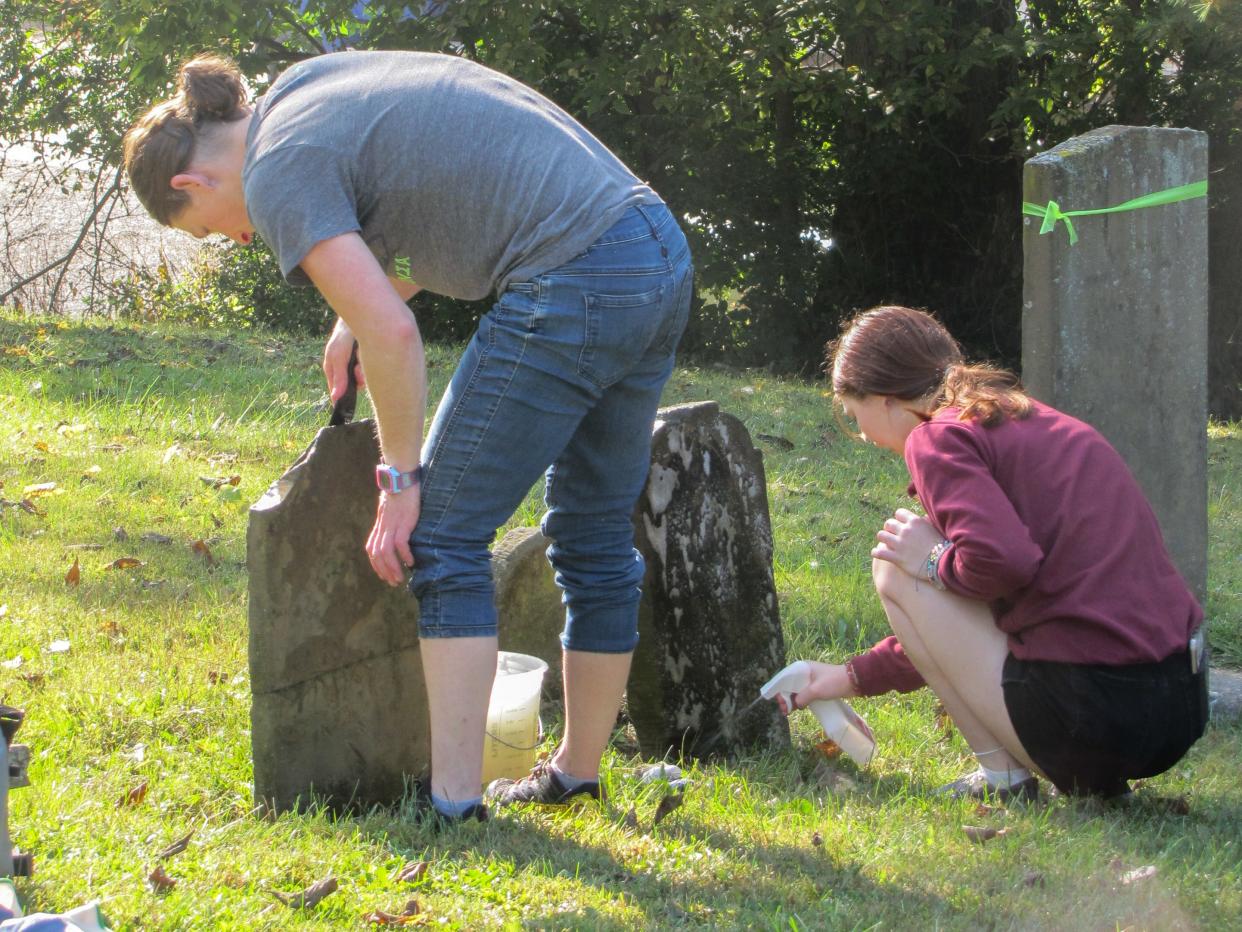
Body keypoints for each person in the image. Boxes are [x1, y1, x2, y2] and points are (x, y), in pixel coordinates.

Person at [123, 50, 693, 823]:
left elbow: (394, 336)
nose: (238, 241)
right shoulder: (301, 91)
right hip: (653, 250)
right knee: (592, 534)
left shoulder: (273, 172)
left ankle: (453, 806)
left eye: (211, 232)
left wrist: (399, 479)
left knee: (445, 535)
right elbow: (439, 184)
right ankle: (576, 775)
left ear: (190, 185)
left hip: (577, 273)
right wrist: (352, 315)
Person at [781, 305, 1207, 802]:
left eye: (856, 418)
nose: (865, 438)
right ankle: (1056, 774)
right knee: (921, 562)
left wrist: (934, 561)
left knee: (894, 565)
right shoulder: (1024, 419)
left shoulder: (936, 437)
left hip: (1098, 721)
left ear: (885, 400)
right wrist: (848, 677)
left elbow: (1003, 563)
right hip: (1180, 705)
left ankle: (1004, 779)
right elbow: (963, 623)